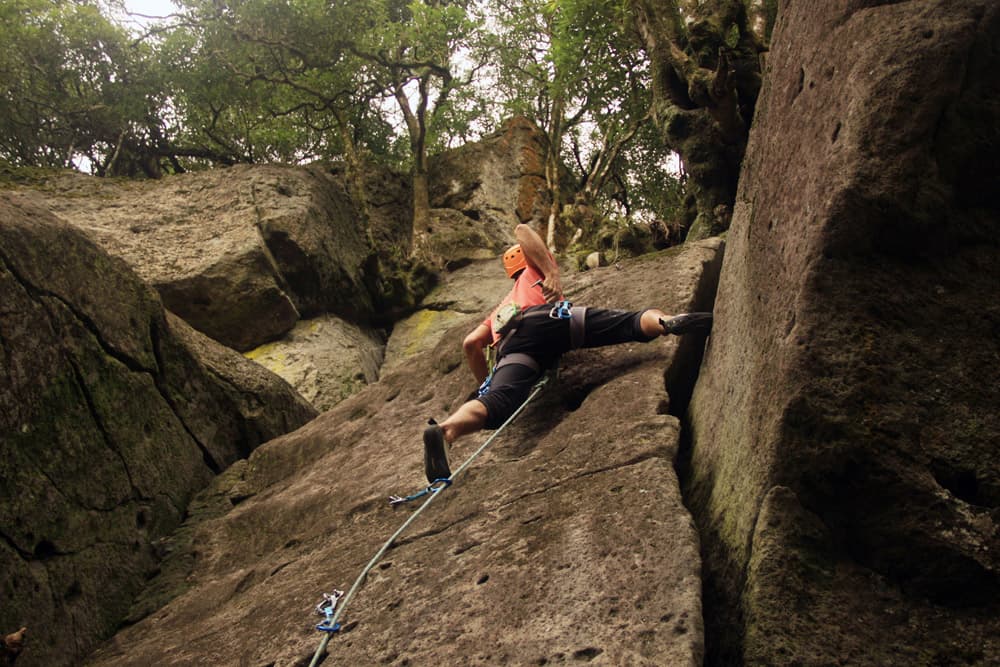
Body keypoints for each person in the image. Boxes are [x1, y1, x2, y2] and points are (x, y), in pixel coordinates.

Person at [422, 223, 712, 483]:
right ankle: (665, 322)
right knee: (628, 323)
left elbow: (471, 344)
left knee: (495, 404)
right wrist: (550, 272)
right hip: (550, 319)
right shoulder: (537, 267)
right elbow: (522, 229)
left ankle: (447, 431)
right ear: (530, 257)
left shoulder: (500, 308)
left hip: (515, 347)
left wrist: (486, 384)